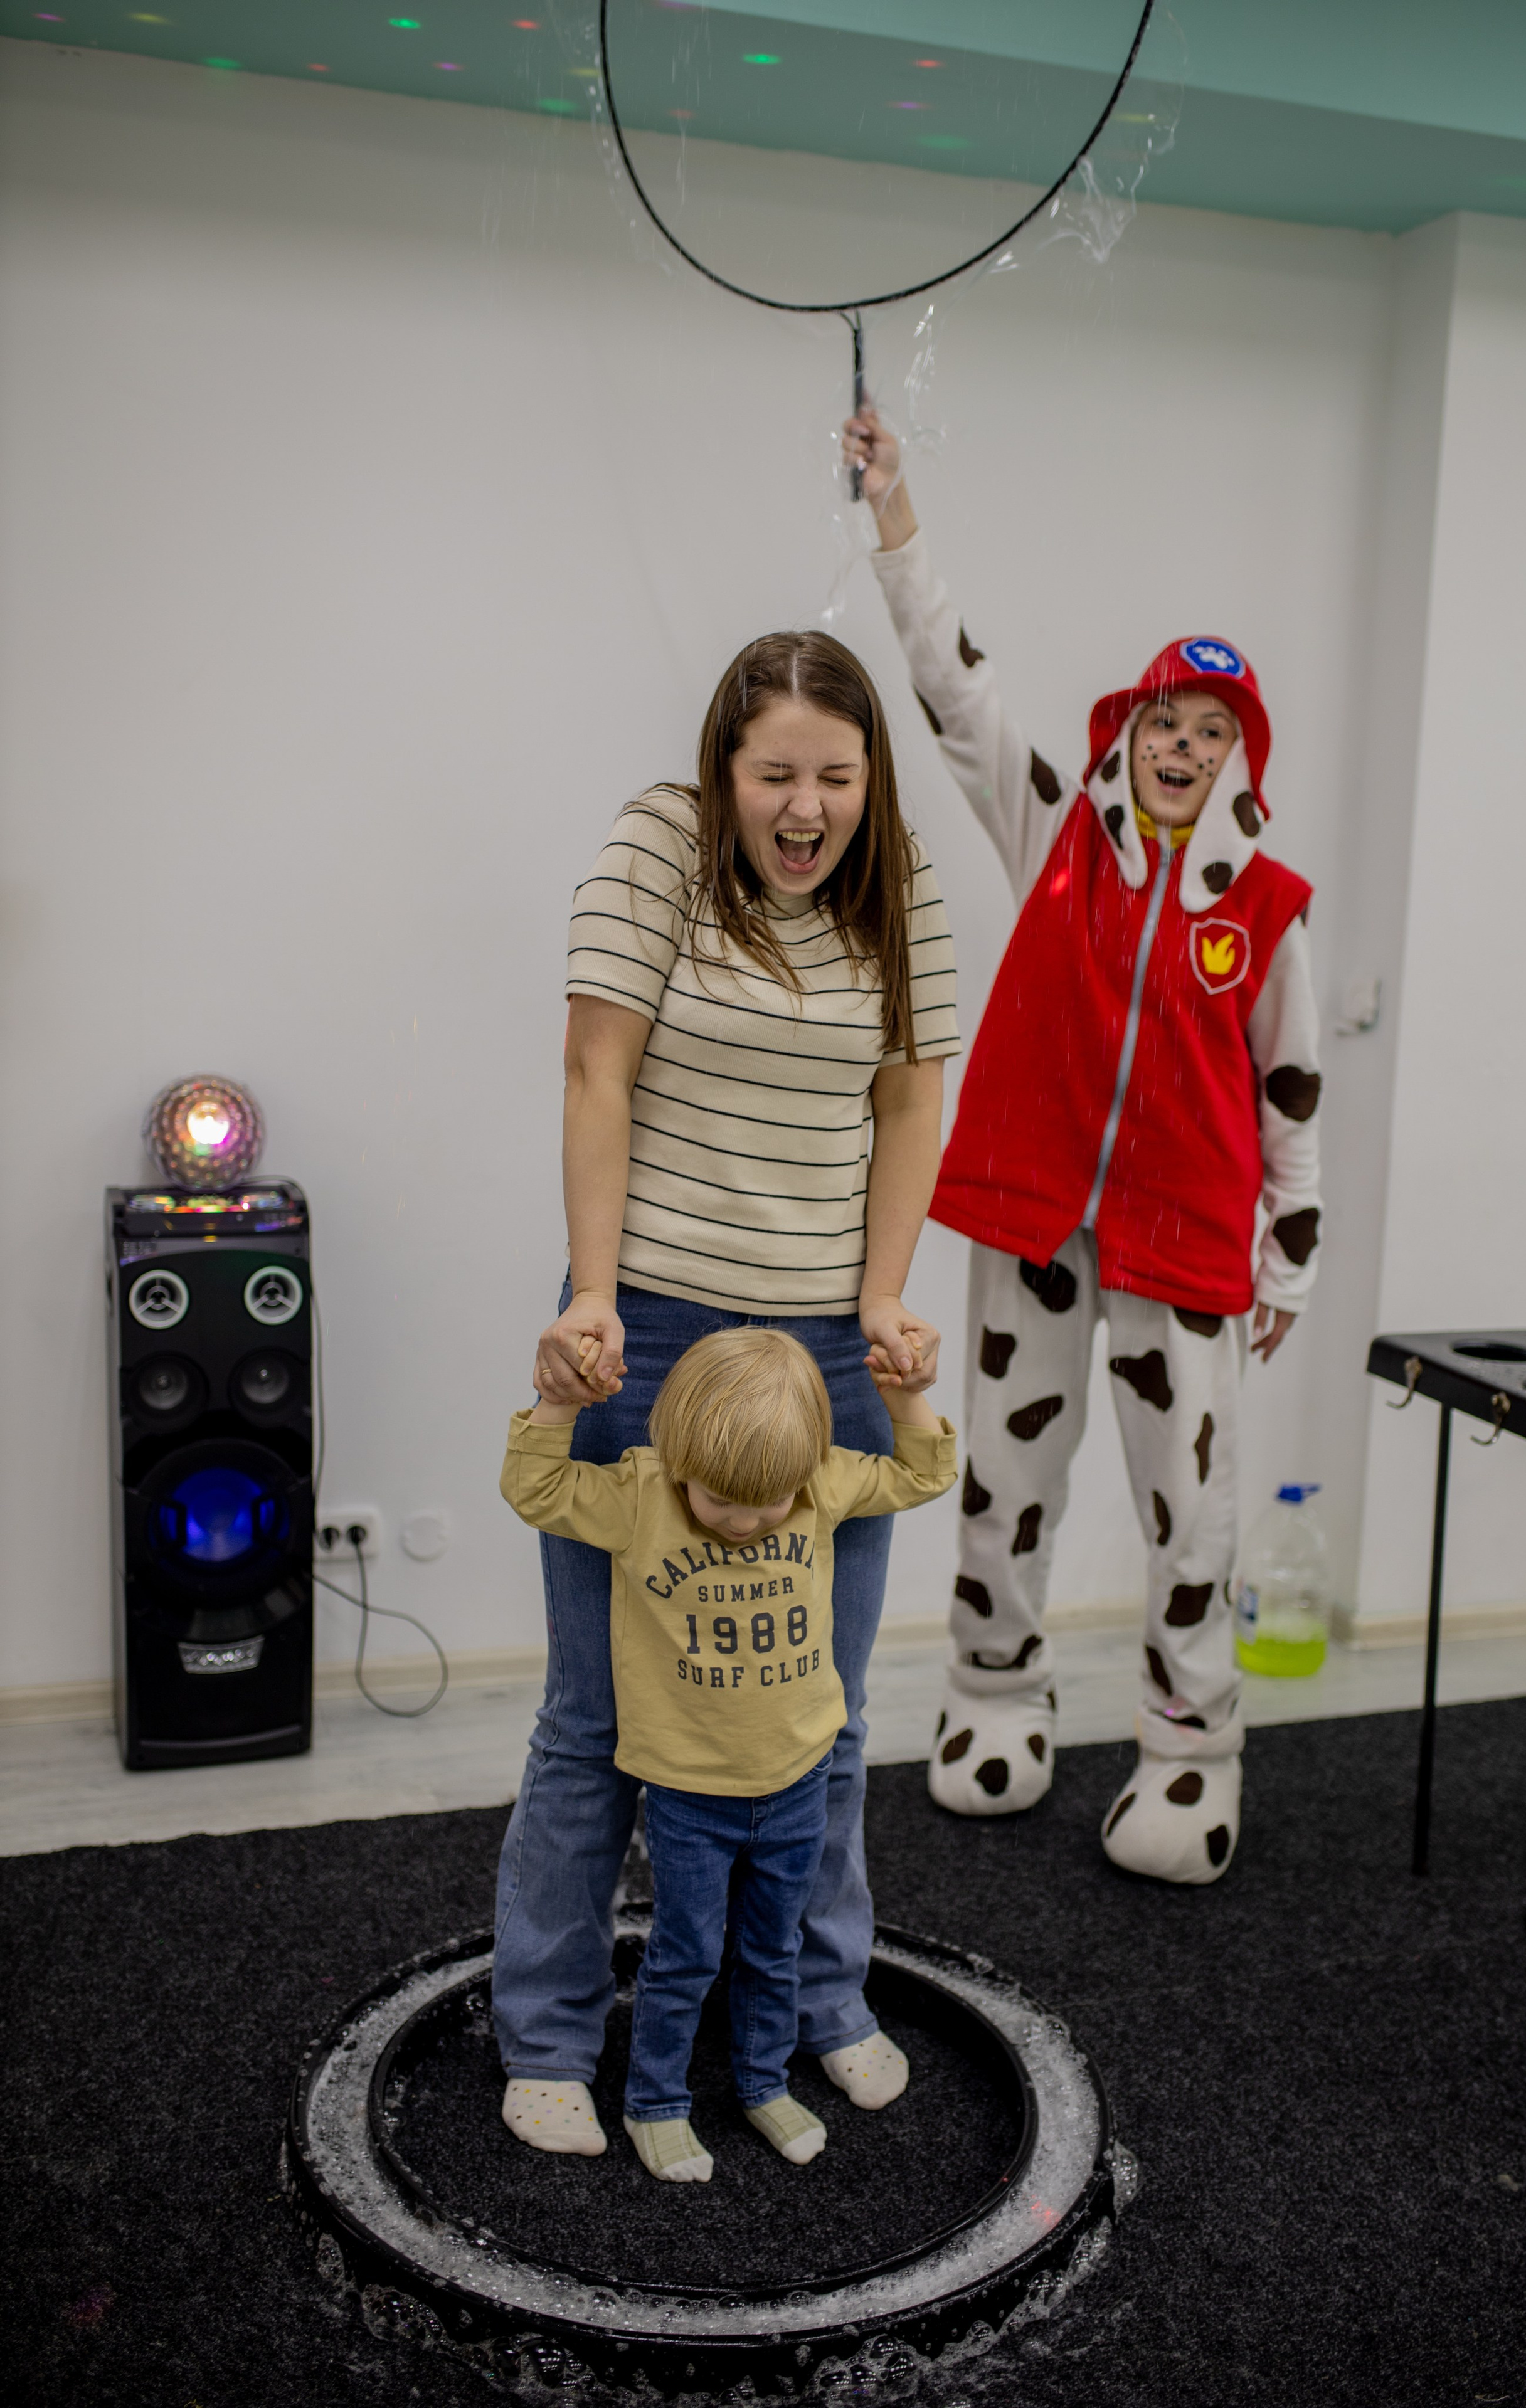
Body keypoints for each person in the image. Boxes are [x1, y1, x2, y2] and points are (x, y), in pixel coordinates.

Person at [493, 628, 963, 2153]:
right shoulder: (656, 847)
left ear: (869, 779)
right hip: (645, 1327)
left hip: (823, 1346)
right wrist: (589, 1292)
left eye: (835, 776)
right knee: (594, 1714)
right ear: (724, 768)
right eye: (774, 775)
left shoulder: (900, 884)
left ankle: (817, 2000)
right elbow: (596, 1073)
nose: (805, 808)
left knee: (821, 1708)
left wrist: (880, 1296)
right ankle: (548, 2036)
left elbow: (910, 1100)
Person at [842, 404, 1323, 1885]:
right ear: (1129, 733)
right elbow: (952, 685)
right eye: (1164, 722)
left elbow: (1292, 1088)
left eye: (1209, 732)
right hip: (1038, 1221)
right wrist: (893, 510)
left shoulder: (1268, 910)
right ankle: (992, 1697)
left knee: (1193, 1517)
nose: (1180, 747)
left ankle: (1189, 1756)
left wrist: (1287, 1258)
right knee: (1004, 1478)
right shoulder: (1055, 832)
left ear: (1237, 761)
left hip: (1188, 1241)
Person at [501, 1326, 956, 2178]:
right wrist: (558, 1406)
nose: (745, 1524)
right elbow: (536, 1488)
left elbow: (925, 1472)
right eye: (720, 1502)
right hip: (689, 1793)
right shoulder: (641, 1495)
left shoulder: (819, 1483)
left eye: (769, 1504)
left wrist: (905, 1394)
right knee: (685, 1956)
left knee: (774, 1949)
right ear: (677, 1456)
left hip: (798, 1781)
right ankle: (656, 2103)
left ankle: (761, 2083)